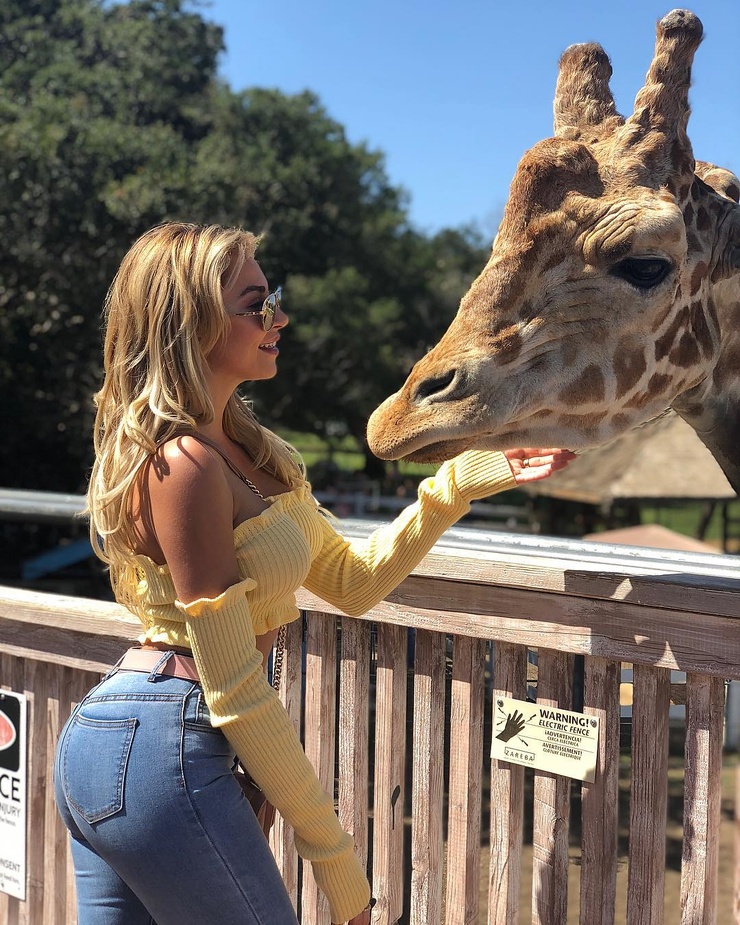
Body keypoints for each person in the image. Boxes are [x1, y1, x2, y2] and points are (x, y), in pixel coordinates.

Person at [53, 222, 575, 925]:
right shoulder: (184, 465)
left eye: (273, 299)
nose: (280, 319)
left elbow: (354, 582)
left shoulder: (252, 452)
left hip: (137, 741)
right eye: (257, 305)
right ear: (193, 323)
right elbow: (235, 687)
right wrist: (338, 867)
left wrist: (458, 483)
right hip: (161, 739)